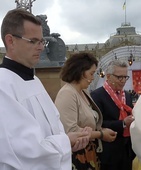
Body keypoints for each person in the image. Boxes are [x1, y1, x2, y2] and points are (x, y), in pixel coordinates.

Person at [0, 8, 90, 170]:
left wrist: (70, 143)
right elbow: (24, 151)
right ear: (11, 41)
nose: (41, 48)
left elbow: (53, 130)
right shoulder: (3, 85)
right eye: (33, 41)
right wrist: (65, 142)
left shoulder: (34, 80)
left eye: (42, 41)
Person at [55, 53, 117, 170]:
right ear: (80, 72)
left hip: (89, 153)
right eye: (91, 73)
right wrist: (101, 134)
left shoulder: (83, 91)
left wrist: (100, 130)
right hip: (78, 156)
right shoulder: (67, 93)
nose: (93, 78)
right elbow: (71, 130)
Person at [91, 60, 135, 170]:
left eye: (126, 77)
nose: (123, 81)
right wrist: (122, 124)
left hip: (127, 151)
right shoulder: (97, 95)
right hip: (108, 152)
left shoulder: (128, 95)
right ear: (108, 76)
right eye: (120, 77)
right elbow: (97, 123)